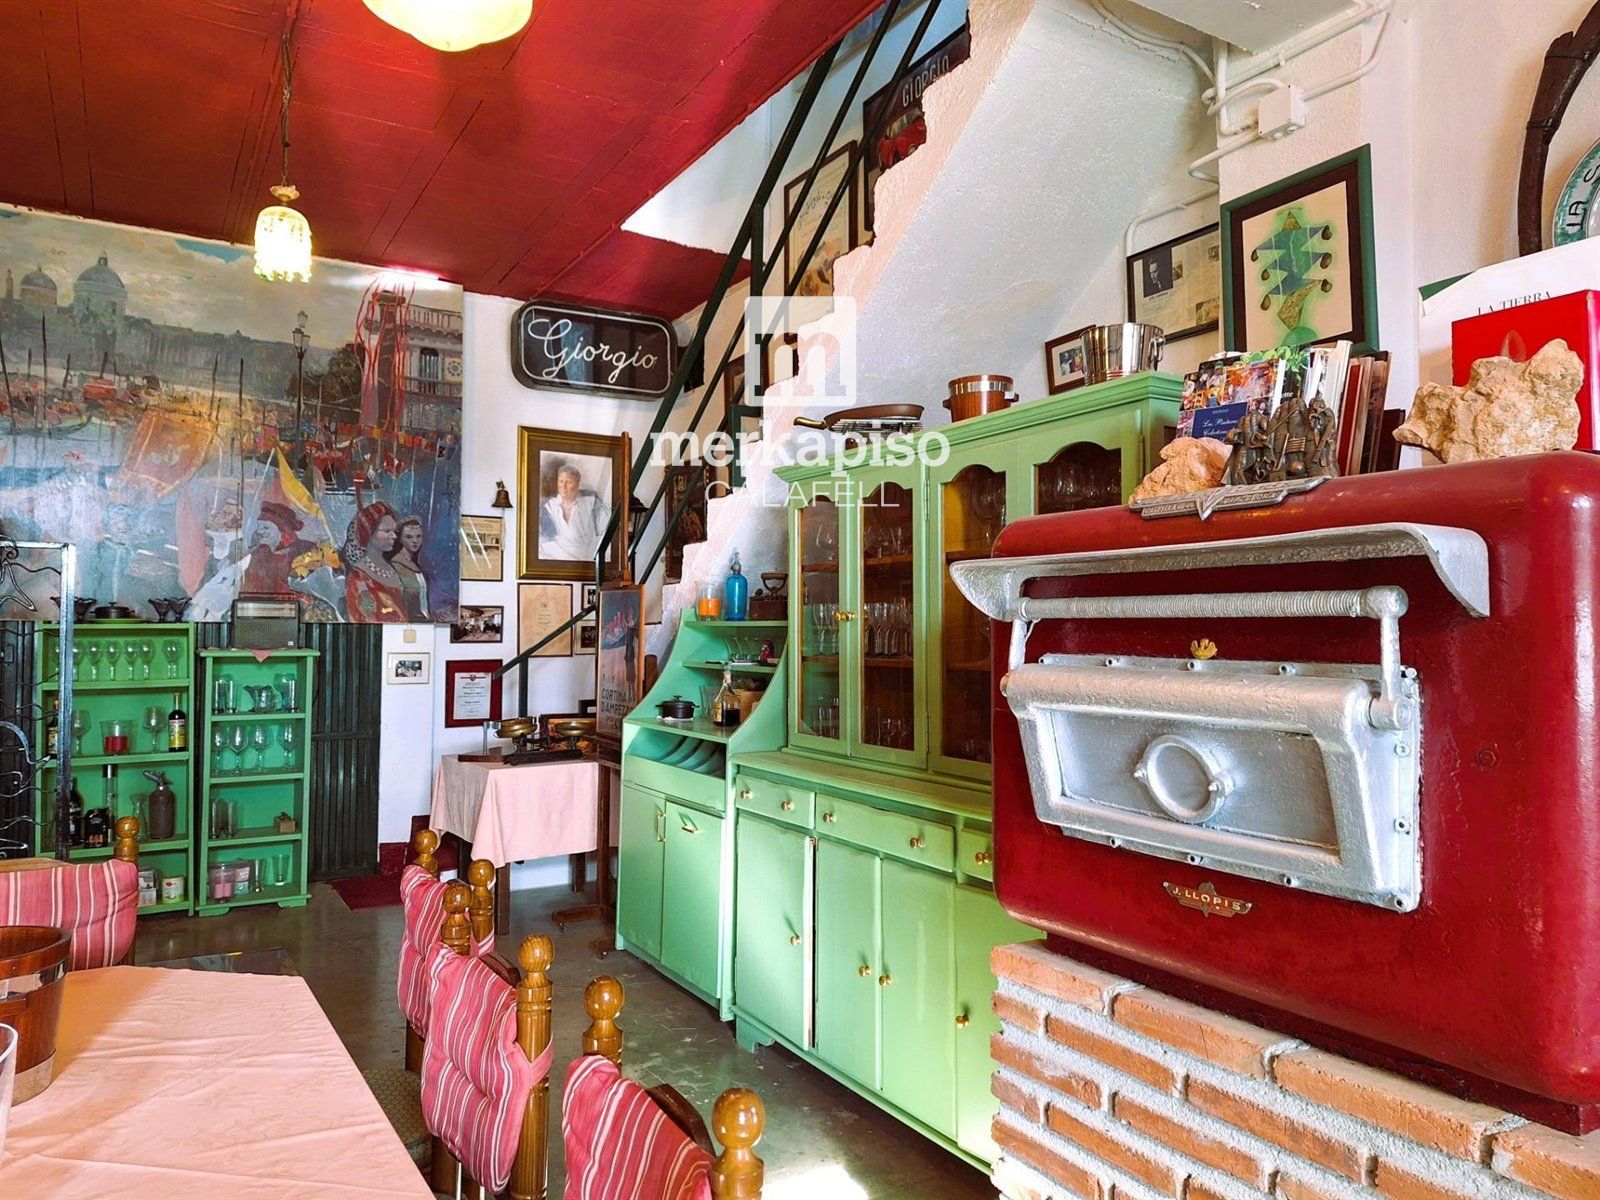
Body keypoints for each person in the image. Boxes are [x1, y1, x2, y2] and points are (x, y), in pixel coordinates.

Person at [342, 501, 405, 622]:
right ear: (369, 533)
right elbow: (366, 620)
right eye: (387, 531)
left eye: (393, 531)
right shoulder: (359, 576)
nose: (394, 536)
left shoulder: (392, 568)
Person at [539, 461, 610, 562]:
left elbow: (605, 532)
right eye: (561, 481)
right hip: (558, 559)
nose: (563, 486)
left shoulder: (591, 503)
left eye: (569, 482)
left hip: (587, 560)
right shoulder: (549, 507)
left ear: (577, 485)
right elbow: (546, 542)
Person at [243, 501, 316, 596]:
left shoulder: (309, 550)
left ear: (283, 530)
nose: (259, 531)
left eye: (266, 527)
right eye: (259, 526)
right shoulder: (257, 555)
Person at [386, 516, 430, 621]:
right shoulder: (395, 566)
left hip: (424, 622)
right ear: (400, 539)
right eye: (409, 537)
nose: (415, 541)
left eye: (418, 536)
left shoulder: (416, 565)